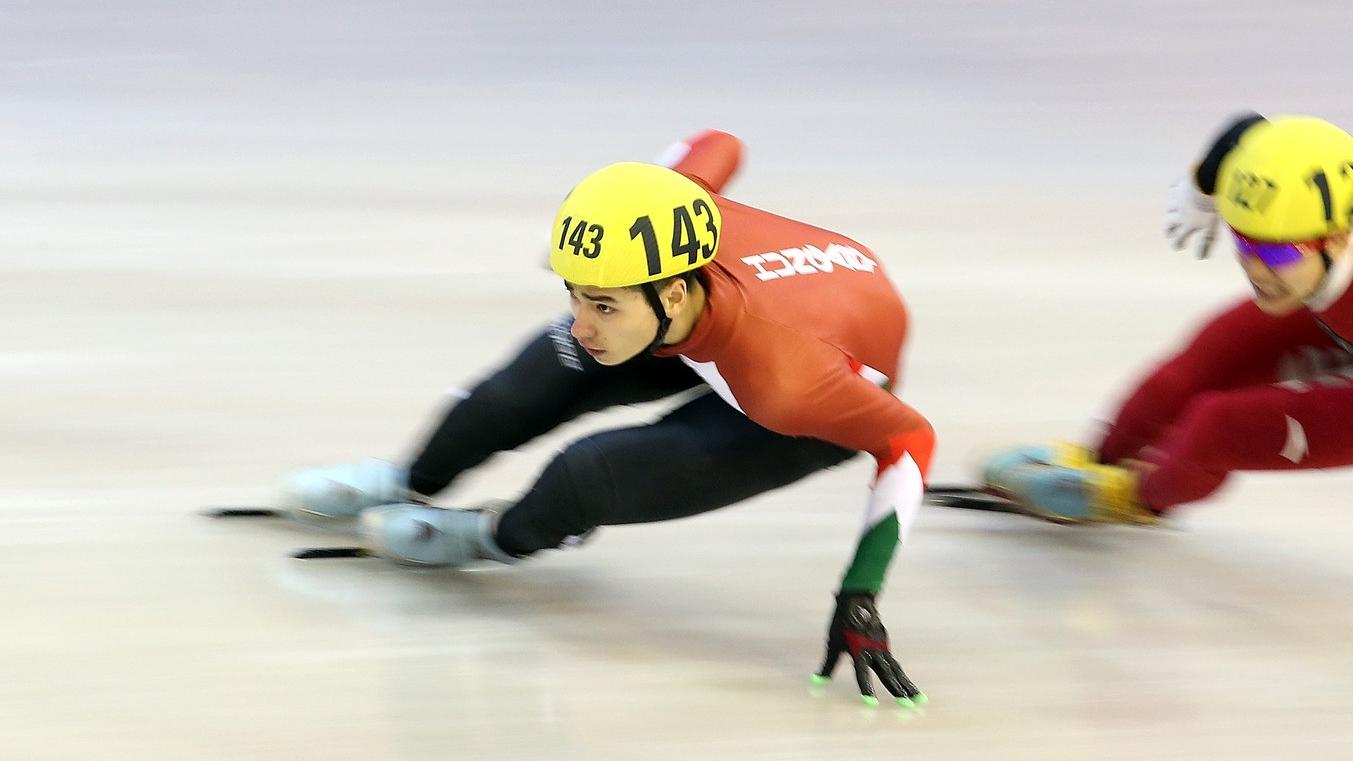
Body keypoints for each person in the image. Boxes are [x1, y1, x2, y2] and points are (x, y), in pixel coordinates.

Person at [280, 130, 933, 707]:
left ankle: (494, 536)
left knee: (587, 475)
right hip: (731, 315)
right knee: (525, 383)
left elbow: (910, 439)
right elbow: (718, 141)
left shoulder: (786, 385)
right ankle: (411, 478)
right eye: (575, 296)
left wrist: (861, 590)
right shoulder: (667, 214)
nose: (583, 322)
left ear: (672, 290)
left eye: (602, 305)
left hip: (803, 399)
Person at [982, 113, 1353, 704]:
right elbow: (1248, 129)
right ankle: (1098, 457)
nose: (1253, 270)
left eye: (1273, 257)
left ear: (1337, 240)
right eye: (1244, 244)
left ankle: (1132, 498)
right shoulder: (1297, 213)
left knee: (1220, 427)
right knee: (1205, 356)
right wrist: (1200, 191)